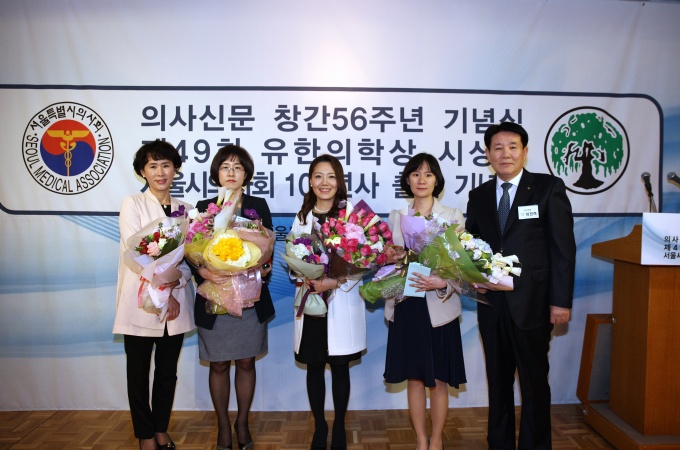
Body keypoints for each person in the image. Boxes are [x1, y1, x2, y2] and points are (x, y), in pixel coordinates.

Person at [465, 122, 576, 450]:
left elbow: (563, 249)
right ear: (488, 154)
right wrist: (473, 277)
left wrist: (561, 301)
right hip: (492, 306)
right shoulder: (478, 196)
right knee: (498, 384)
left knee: (534, 384)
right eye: (497, 148)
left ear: (525, 152)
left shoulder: (547, 188)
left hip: (533, 305)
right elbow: (471, 245)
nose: (506, 154)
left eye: (513, 147)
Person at [113, 139, 196, 450]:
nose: (160, 172)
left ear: (175, 169)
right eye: (152, 166)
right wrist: (164, 290)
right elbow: (135, 253)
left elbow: (192, 259)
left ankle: (161, 428)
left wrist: (176, 282)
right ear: (142, 171)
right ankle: (145, 435)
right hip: (141, 302)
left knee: (167, 372)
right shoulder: (132, 204)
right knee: (138, 372)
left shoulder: (187, 210)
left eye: (166, 165)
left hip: (176, 302)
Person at [192, 145, 275, 450]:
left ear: (246, 175)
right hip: (214, 297)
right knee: (218, 365)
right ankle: (223, 425)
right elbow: (192, 249)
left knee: (246, 361)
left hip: (249, 296)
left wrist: (262, 267)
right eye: (225, 167)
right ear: (216, 173)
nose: (231, 173)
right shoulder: (203, 207)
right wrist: (203, 271)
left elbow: (267, 247)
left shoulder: (257, 205)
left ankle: (242, 422)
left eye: (238, 168)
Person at [383, 153, 467, 450]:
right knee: (415, 378)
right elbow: (388, 262)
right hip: (407, 304)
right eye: (416, 174)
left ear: (437, 181)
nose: (422, 180)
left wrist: (443, 281)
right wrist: (389, 258)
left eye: (429, 174)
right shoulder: (396, 216)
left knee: (439, 380)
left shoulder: (453, 216)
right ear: (408, 179)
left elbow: (464, 265)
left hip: (439, 307)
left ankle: (436, 440)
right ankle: (421, 439)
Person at [291, 154, 366, 450]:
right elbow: (293, 259)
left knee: (339, 366)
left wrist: (334, 282)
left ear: (340, 182)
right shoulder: (301, 218)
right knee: (314, 365)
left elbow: (364, 259)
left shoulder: (352, 216)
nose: (325, 182)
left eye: (331, 176)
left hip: (340, 300)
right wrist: (306, 276)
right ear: (311, 181)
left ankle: (340, 426)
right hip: (312, 302)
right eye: (319, 176)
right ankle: (320, 426)